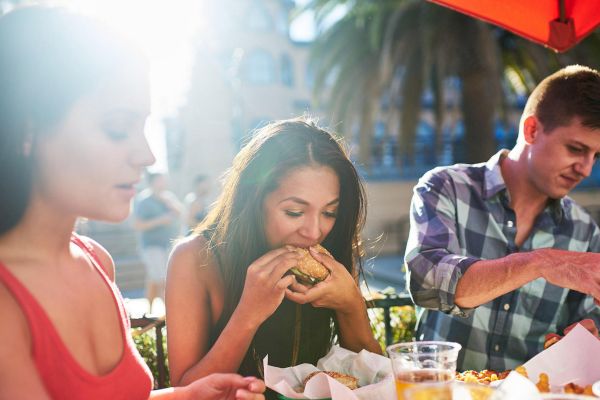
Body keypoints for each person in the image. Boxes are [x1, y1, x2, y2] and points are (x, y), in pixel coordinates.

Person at [0, 6, 265, 400]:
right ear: (28, 132)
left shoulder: (96, 261)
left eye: (143, 128)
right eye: (117, 129)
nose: (146, 155)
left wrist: (183, 396)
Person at [166, 118, 382, 397]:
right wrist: (247, 314)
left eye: (329, 213)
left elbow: (374, 378)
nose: (314, 231)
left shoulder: (330, 254)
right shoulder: (194, 258)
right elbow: (186, 392)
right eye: (294, 212)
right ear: (254, 200)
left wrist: (350, 304)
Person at [405, 65, 600, 372]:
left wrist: (587, 339)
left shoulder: (584, 231)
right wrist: (541, 262)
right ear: (532, 130)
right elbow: (426, 281)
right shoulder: (446, 186)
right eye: (576, 149)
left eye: (596, 156)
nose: (586, 169)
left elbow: (587, 327)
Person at [134, 172, 182, 310]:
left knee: (153, 279)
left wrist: (170, 205)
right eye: (160, 181)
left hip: (167, 244)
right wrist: (160, 220)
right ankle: (172, 313)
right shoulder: (144, 200)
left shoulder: (168, 197)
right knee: (163, 280)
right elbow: (138, 225)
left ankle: (147, 312)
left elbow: (180, 213)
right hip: (151, 246)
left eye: (164, 180)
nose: (163, 183)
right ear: (152, 183)